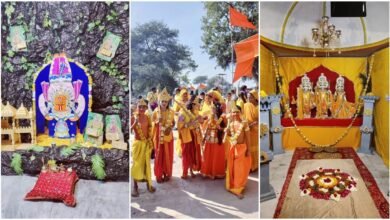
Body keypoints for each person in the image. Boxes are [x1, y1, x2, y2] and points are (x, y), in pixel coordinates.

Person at [225, 105, 251, 199]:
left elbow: (248, 138)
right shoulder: (231, 124)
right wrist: (226, 131)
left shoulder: (244, 123)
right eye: (233, 112)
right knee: (233, 168)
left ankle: (237, 188)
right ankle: (233, 185)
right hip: (233, 148)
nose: (235, 114)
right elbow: (229, 135)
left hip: (242, 148)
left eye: (237, 112)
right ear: (231, 113)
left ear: (240, 112)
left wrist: (248, 150)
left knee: (239, 169)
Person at [131, 98, 155, 197]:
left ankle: (149, 185)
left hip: (146, 144)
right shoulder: (133, 117)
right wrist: (134, 123)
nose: (141, 109)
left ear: (146, 108)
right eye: (139, 107)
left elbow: (150, 129)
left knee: (146, 165)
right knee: (137, 166)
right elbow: (128, 131)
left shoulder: (147, 117)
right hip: (138, 144)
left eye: (143, 107)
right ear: (137, 107)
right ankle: (135, 187)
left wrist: (150, 142)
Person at [177, 91, 202, 179]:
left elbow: (198, 123)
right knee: (186, 154)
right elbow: (179, 125)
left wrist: (199, 120)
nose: (197, 106)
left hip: (194, 135)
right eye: (195, 104)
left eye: (197, 105)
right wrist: (188, 124)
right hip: (186, 135)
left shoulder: (195, 113)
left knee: (192, 153)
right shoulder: (183, 112)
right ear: (191, 104)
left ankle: (191, 170)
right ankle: (184, 172)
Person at [152, 88, 175, 183]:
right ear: (160, 101)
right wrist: (157, 121)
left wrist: (171, 126)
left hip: (168, 136)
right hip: (158, 137)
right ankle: (159, 174)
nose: (164, 103)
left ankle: (166, 173)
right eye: (162, 101)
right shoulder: (156, 112)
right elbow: (152, 123)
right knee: (159, 155)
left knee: (168, 155)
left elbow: (173, 123)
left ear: (168, 102)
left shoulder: (172, 112)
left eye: (166, 101)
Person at [201, 103, 226, 179]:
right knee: (209, 154)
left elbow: (223, 127)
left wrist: (220, 128)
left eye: (214, 109)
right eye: (212, 109)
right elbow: (205, 128)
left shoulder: (221, 117)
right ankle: (208, 172)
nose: (213, 110)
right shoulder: (208, 117)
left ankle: (215, 172)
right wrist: (204, 138)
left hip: (217, 138)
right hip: (209, 138)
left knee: (216, 155)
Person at [243, 89, 259, 172]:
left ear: (255, 98)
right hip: (247, 129)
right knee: (248, 148)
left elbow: (259, 120)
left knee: (254, 148)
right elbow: (243, 116)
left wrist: (252, 125)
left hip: (255, 130)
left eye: (251, 97)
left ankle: (254, 165)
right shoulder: (246, 106)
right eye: (248, 97)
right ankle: (248, 166)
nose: (249, 99)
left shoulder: (258, 107)